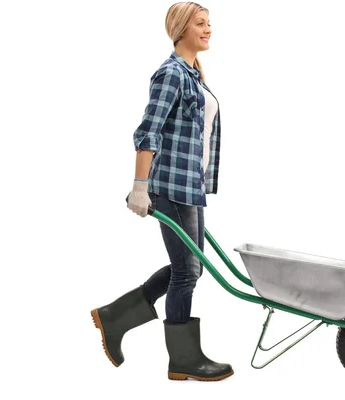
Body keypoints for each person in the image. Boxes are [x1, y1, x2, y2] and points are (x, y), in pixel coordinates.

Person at [90, 2, 233, 382]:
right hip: (170, 185)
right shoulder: (171, 74)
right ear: (181, 28)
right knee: (187, 271)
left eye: (209, 23)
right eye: (200, 23)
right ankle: (183, 358)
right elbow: (148, 131)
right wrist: (139, 186)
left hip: (191, 185)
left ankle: (114, 316)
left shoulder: (194, 74)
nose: (208, 29)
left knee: (190, 267)